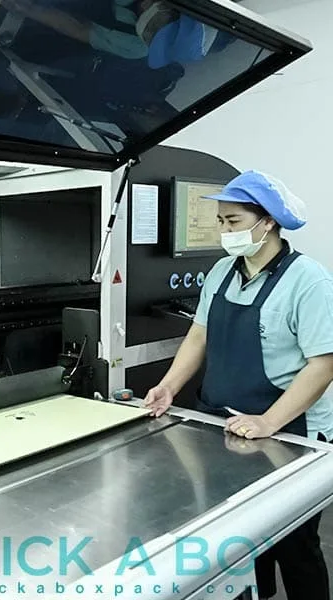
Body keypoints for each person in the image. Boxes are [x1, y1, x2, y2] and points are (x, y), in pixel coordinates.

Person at [144, 170, 333, 600]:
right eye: (221, 221)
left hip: (290, 432)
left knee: (295, 545)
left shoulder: (309, 281)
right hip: (225, 429)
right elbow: (199, 334)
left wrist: (269, 421)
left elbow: (324, 364)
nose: (224, 231)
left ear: (267, 222)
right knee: (240, 543)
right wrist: (168, 386)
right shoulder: (221, 272)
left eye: (233, 221)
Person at [2, 0, 220, 69]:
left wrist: (28, 9)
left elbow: (78, 28)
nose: (149, 32)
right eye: (161, 24)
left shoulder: (135, 48)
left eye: (152, 36)